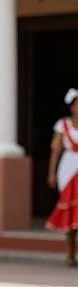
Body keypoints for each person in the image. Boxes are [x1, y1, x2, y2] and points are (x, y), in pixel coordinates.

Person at [47, 88, 78, 266]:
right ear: (72, 107)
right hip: (68, 167)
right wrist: (51, 173)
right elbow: (55, 150)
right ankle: (70, 252)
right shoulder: (63, 125)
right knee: (70, 213)